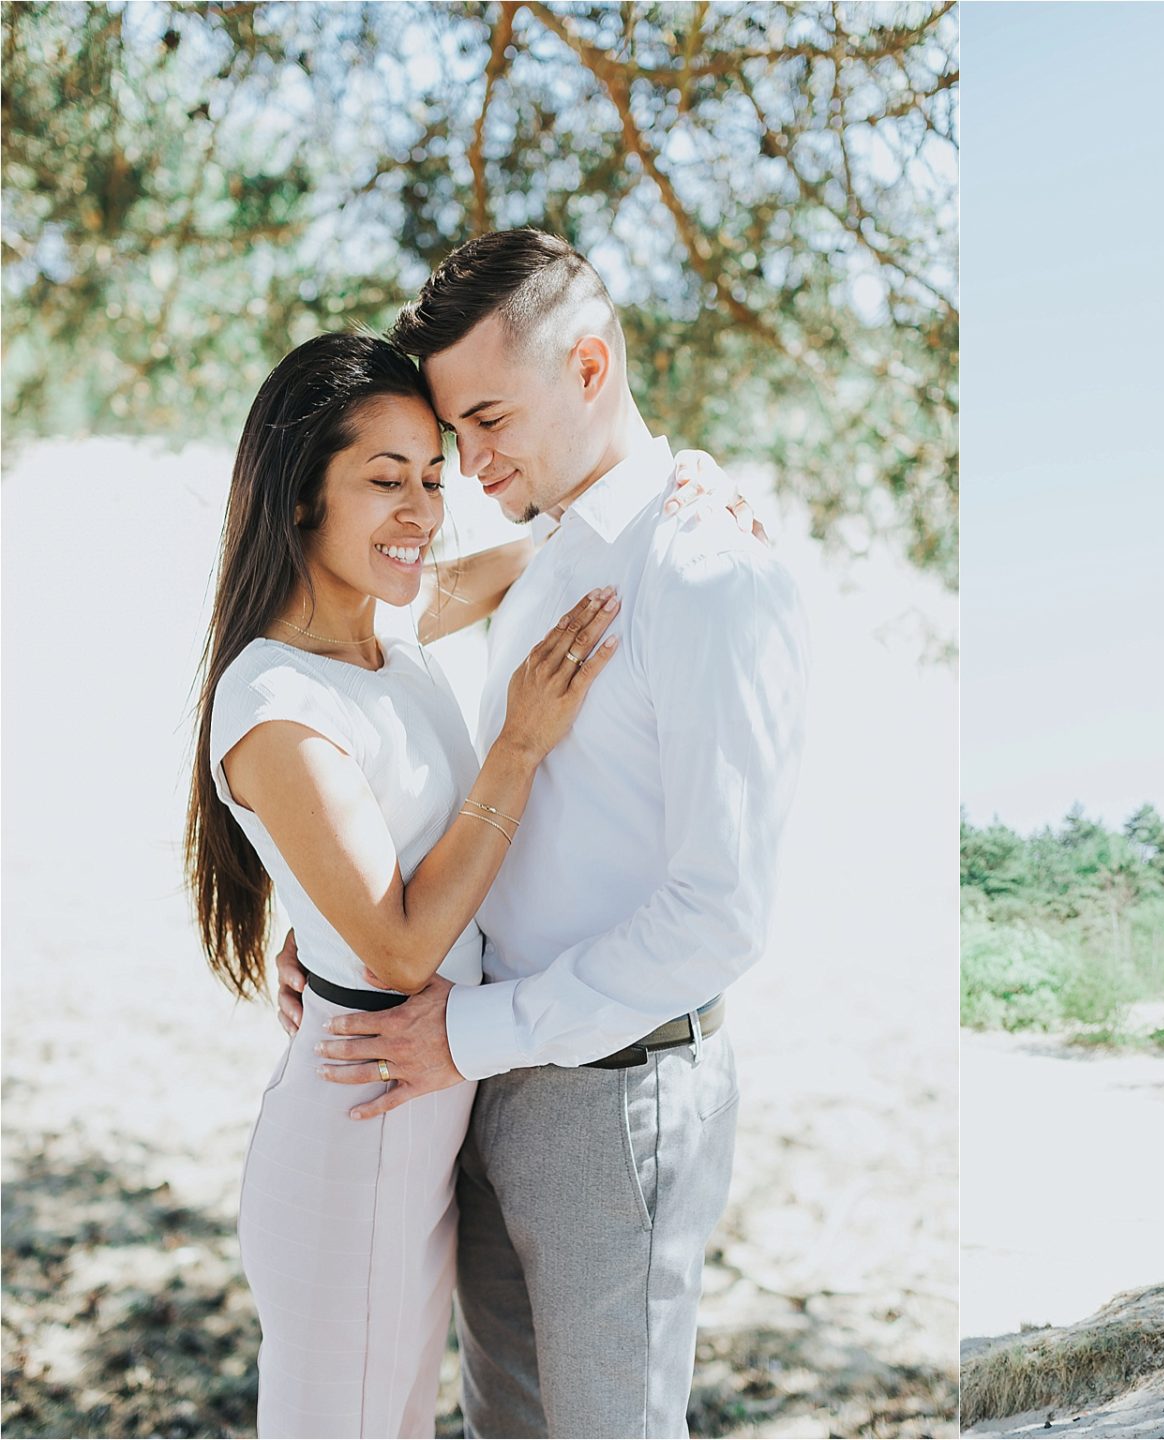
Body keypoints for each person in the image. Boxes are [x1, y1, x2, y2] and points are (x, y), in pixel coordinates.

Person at [276, 229, 810, 1438]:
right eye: (454, 432)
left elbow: (721, 913)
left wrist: (473, 1032)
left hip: (611, 1096)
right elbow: (384, 649)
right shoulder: (566, 533)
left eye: (487, 422)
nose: (468, 466)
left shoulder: (711, 572)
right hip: (477, 1065)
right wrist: (333, 923)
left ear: (587, 367)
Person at [185, 330, 746, 1436]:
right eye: (385, 481)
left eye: (434, 477)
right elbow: (396, 948)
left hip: (427, 1108)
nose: (424, 511)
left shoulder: (385, 631)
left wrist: (683, 491)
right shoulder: (279, 705)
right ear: (300, 497)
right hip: (363, 1122)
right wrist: (519, 747)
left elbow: (546, 556)